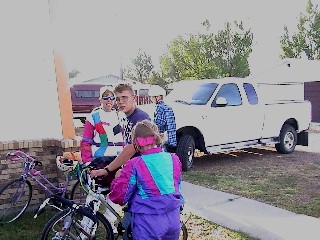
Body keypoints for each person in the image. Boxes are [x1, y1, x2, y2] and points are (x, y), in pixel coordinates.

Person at [109, 119, 184, 240]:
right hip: (174, 218)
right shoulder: (173, 158)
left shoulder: (135, 164)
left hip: (148, 223)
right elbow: (178, 187)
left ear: (136, 142)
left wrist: (117, 179)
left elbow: (120, 197)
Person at [80, 85, 124, 233]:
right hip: (99, 161)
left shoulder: (120, 116)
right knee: (93, 196)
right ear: (100, 99)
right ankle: (86, 230)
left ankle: (111, 226)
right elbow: (86, 141)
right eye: (105, 97)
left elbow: (125, 140)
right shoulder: (93, 117)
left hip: (117, 161)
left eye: (112, 97)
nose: (109, 100)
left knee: (114, 194)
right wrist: (87, 162)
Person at [90, 83, 150, 178]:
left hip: (145, 169)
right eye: (117, 99)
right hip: (134, 164)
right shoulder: (123, 117)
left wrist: (107, 170)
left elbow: (132, 148)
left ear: (134, 98)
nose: (121, 102)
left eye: (124, 97)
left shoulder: (140, 118)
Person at [148, 85, 177, 153]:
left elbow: (160, 122)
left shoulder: (159, 107)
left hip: (162, 135)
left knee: (161, 152)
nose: (150, 98)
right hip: (170, 136)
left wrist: (151, 124)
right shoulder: (168, 107)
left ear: (157, 97)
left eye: (151, 97)